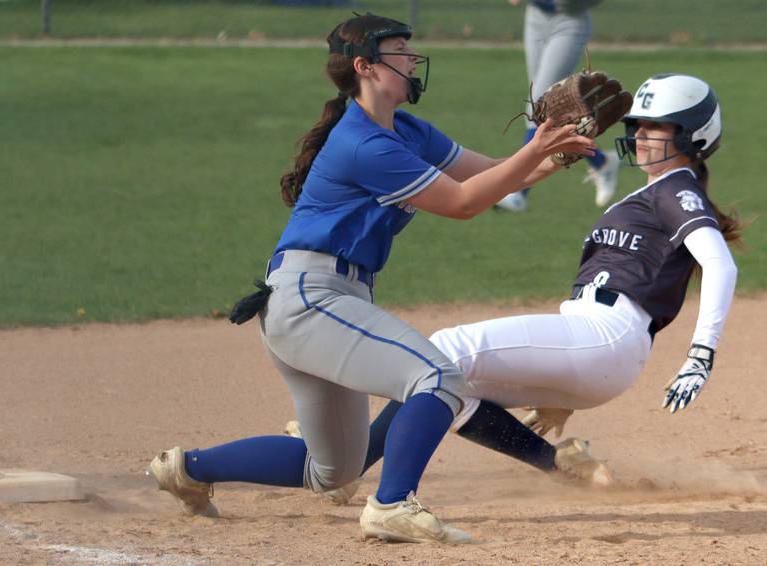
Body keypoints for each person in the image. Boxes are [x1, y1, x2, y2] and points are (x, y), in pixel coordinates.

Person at [146, 13, 595, 544]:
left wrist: (554, 154)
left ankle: (187, 468)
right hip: (313, 298)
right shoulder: (364, 143)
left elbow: (486, 172)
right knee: (438, 377)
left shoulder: (405, 131)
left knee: (332, 469)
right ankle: (391, 505)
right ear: (365, 67)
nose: (410, 60)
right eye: (400, 51)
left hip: (314, 303)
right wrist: (534, 151)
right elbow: (463, 203)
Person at [291, 73, 740, 504]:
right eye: (637, 125)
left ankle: (363, 479)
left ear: (693, 135)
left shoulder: (677, 191)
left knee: (444, 352)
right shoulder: (655, 193)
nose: (641, 135)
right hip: (593, 342)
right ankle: (559, 464)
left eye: (658, 126)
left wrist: (701, 353)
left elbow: (719, 262)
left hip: (606, 337)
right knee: (451, 383)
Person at [497, 0, 621, 212]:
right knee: (550, 110)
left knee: (538, 103)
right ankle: (601, 163)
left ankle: (519, 191)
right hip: (535, 17)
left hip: (569, 21)